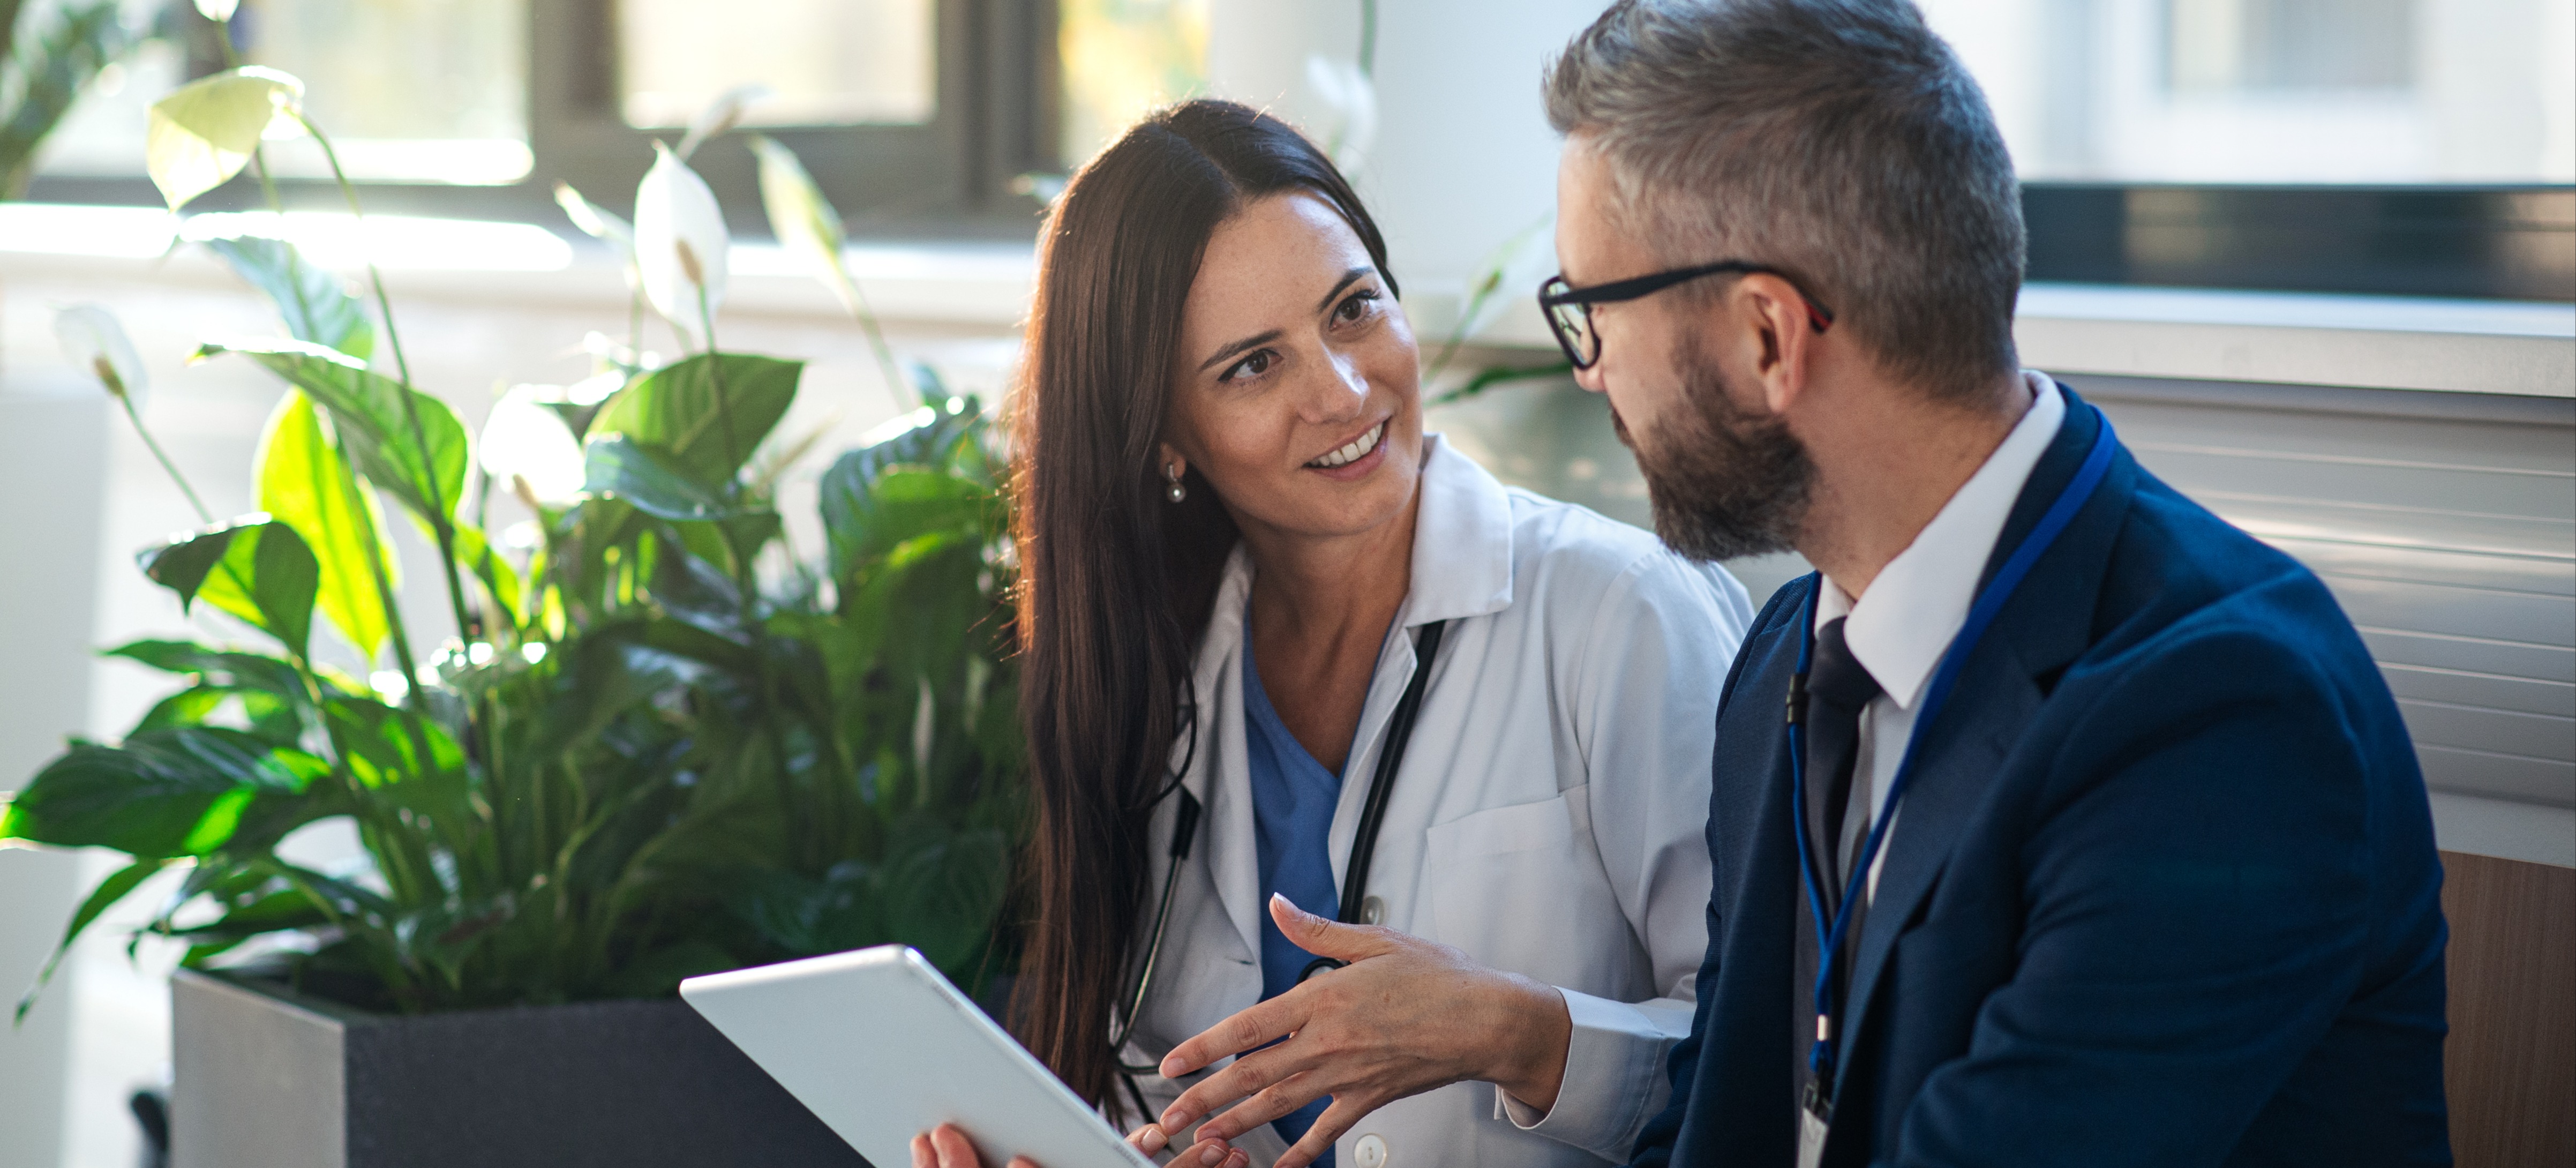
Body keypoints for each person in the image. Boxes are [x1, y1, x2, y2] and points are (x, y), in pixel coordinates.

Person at [1533, 2, 2453, 1165]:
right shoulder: (1788, 647)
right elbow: (1709, 1115)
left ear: (1766, 337)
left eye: (1592, 314)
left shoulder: (2220, 717)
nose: (1588, 374)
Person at [911, 99, 1754, 1168]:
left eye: (1353, 309)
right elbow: (1146, 1076)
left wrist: (1510, 1031)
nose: (1344, 389)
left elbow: (1780, 1074)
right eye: (1253, 366)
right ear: (1165, 435)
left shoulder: (1619, 613)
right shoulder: (1155, 674)